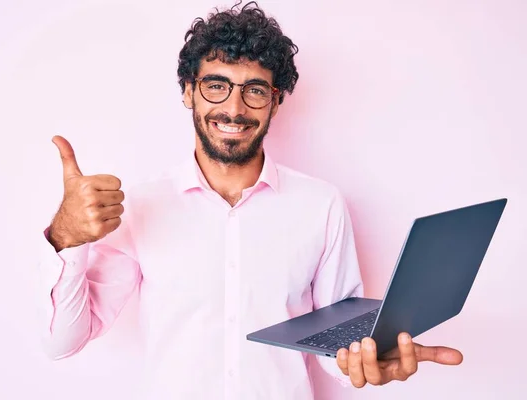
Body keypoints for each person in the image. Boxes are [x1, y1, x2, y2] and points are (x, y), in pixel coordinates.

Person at [37, 2, 463, 399]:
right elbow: (63, 343)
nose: (234, 108)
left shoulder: (321, 205)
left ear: (275, 102)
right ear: (189, 92)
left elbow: (336, 351)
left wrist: (365, 361)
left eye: (255, 90)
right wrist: (67, 237)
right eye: (216, 85)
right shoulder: (140, 207)